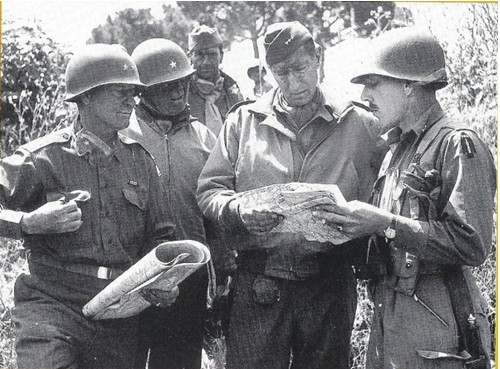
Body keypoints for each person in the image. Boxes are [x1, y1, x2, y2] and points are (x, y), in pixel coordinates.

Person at [197, 21, 387, 369]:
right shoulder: (243, 121)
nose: (292, 82)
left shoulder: (360, 124)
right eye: (280, 73)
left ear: (318, 58)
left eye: (300, 68)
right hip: (259, 286)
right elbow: (210, 190)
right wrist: (239, 210)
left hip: (329, 286)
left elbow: (388, 195)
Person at [313, 27, 495, 368]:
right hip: (392, 313)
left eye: (375, 83)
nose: (365, 94)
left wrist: (387, 223)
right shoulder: (397, 150)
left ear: (409, 86)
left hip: (438, 317)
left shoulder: (456, 144)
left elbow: (473, 245)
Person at [0, 44, 178, 369]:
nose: (131, 101)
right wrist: (29, 223)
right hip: (51, 304)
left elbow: (161, 236)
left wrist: (162, 281)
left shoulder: (140, 161)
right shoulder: (41, 158)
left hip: (117, 310)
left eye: (134, 93)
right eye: (119, 92)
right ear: (85, 98)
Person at [120, 38, 220, 369]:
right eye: (166, 87)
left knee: (180, 359)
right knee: (129, 356)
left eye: (183, 83)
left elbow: (215, 202)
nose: (178, 93)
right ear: (142, 92)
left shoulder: (204, 137)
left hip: (189, 272)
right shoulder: (122, 135)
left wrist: (224, 262)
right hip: (134, 271)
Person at [187, 25, 244, 136]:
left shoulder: (233, 92)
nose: (206, 62)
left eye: (212, 55)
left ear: (221, 56)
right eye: (199, 55)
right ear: (190, 57)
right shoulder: (180, 95)